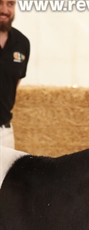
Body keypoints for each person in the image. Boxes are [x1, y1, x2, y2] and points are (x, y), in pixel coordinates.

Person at [0, 0, 29, 148]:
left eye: (10, 4)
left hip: (4, 134)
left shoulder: (22, 43)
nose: (4, 10)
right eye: (0, 3)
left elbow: (13, 84)